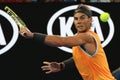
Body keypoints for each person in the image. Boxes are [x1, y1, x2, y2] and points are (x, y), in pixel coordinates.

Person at [19, 4, 116, 80]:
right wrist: (62, 65)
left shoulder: (87, 37)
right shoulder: (79, 39)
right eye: (76, 19)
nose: (78, 21)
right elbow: (78, 58)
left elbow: (61, 41)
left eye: (82, 18)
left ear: (90, 20)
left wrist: (33, 35)